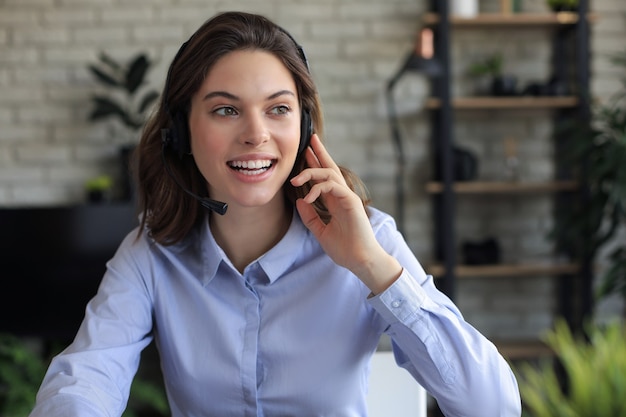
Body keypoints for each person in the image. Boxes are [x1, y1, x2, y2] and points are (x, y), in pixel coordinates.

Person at [29, 11, 521, 417]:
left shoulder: (369, 240)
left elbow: (493, 407)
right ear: (181, 133)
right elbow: (87, 377)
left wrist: (372, 266)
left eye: (278, 109)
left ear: (304, 125)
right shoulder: (153, 250)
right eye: (225, 110)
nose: (256, 134)